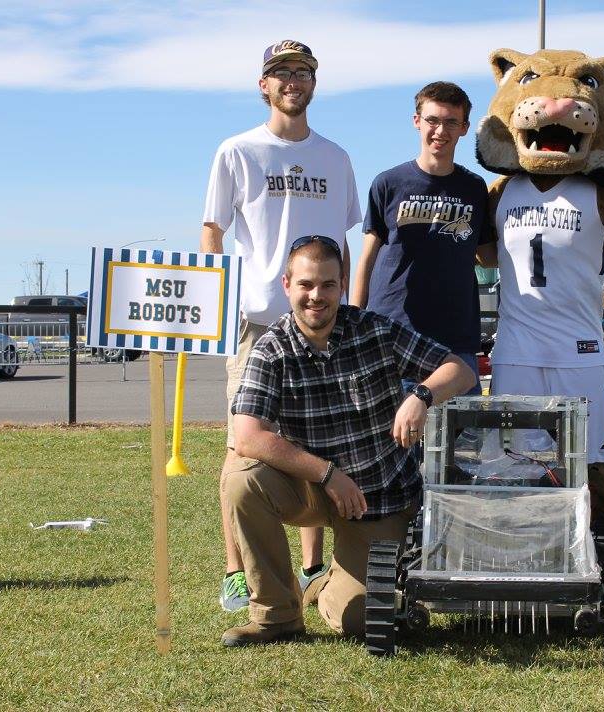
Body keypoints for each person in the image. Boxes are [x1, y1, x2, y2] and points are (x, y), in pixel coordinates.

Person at [221, 236, 475, 646]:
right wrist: (327, 474)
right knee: (242, 480)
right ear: (287, 285)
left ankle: (323, 586)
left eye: (327, 284)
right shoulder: (270, 350)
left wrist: (420, 397)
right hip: (315, 487)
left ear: (342, 284)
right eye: (305, 285)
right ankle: (276, 615)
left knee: (362, 617)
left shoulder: (374, 330)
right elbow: (249, 436)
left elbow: (459, 370)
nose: (316, 296)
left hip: (379, 497)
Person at [201, 40, 361, 612]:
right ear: (263, 84)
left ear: (314, 84)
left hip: (324, 323)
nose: (292, 81)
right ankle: (235, 570)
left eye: (302, 72)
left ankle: (313, 566)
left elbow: (342, 242)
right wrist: (218, 304)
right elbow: (213, 230)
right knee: (243, 449)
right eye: (281, 73)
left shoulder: (335, 158)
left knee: (315, 439)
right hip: (258, 323)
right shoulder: (237, 151)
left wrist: (352, 308)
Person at [353, 81, 491, 395]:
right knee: (396, 441)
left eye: (451, 122)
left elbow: (489, 255)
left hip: (455, 341)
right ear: (417, 121)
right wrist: (354, 322)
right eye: (432, 120)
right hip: (392, 334)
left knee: (459, 443)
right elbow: (367, 260)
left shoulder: (474, 188)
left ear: (464, 128)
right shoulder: (388, 183)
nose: (440, 130)